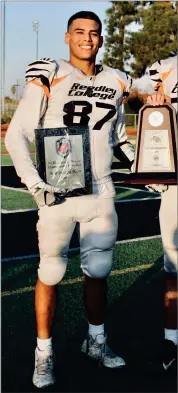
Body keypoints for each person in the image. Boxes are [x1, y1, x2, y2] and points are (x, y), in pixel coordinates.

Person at [5, 11, 135, 388]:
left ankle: (96, 342)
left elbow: (117, 138)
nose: (87, 39)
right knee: (50, 271)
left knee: (98, 270)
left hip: (101, 189)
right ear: (66, 37)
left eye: (94, 33)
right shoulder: (51, 71)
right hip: (58, 191)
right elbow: (16, 136)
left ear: (101, 39)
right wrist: (34, 184)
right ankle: (43, 353)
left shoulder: (116, 80)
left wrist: (153, 165)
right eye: (79, 32)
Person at [146, 52, 177, 371]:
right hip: (176, 182)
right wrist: (155, 101)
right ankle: (172, 339)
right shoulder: (165, 68)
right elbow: (141, 94)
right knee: (173, 265)